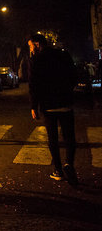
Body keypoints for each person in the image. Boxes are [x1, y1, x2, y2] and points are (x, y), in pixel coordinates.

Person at [28, 33, 79, 185]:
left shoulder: (36, 60)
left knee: (53, 138)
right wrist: (67, 90)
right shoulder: (63, 54)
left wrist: (33, 106)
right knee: (69, 136)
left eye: (31, 45)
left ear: (37, 44)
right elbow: (74, 76)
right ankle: (69, 163)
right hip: (65, 102)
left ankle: (58, 170)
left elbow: (33, 84)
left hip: (48, 104)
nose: (30, 49)